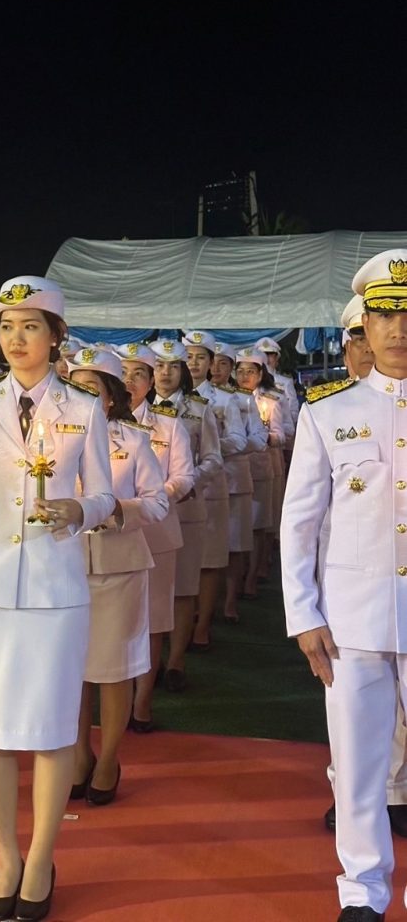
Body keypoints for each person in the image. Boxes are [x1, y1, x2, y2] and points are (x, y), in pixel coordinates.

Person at [0, 276, 114, 922]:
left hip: (53, 591)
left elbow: (105, 495)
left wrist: (79, 509)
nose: (15, 339)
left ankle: (40, 858)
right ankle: (6, 857)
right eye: (7, 327)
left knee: (51, 730)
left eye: (30, 326)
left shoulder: (83, 408)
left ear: (55, 336)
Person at [280, 249, 407, 921]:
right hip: (353, 621)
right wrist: (303, 614)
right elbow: (299, 522)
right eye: (385, 314)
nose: (398, 328)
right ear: (364, 326)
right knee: (357, 768)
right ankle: (363, 892)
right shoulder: (327, 411)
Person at [68, 347, 168, 803]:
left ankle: (108, 757)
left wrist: (114, 511)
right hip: (65, 565)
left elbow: (158, 502)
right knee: (71, 668)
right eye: (75, 387)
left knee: (112, 670)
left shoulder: (133, 440)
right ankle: (77, 754)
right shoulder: (51, 440)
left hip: (119, 566)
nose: (82, 397)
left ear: (110, 396)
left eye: (92, 389)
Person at [119, 342, 193, 728]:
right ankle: (115, 696)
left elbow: (184, 476)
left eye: (138, 375)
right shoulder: (97, 423)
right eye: (123, 374)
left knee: (153, 619)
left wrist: (152, 498)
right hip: (109, 535)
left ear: (150, 383)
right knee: (114, 620)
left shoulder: (169, 425)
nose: (130, 382)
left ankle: (141, 702)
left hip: (156, 532)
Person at [150, 338, 221, 692]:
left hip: (186, 508)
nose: (165, 373)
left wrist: (191, 481)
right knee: (148, 589)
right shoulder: (135, 409)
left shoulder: (198, 409)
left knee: (182, 587)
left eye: (173, 366)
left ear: (183, 372)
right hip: (146, 513)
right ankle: (148, 662)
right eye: (159, 366)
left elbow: (213, 458)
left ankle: (176, 660)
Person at [183, 330, 245, 648]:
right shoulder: (167, 399)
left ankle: (202, 625)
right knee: (181, 561)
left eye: (200, 358)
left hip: (210, 486)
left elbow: (240, 439)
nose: (193, 363)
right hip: (177, 492)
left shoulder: (224, 399)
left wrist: (209, 444)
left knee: (209, 561)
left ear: (210, 363)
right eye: (188, 357)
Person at [210, 342, 267, 622]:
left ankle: (230, 600)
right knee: (206, 546)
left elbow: (259, 438)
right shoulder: (191, 398)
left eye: (223, 363)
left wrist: (219, 447)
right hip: (204, 483)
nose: (216, 368)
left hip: (234, 478)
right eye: (213, 362)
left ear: (231, 368)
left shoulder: (242, 400)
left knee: (234, 545)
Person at [235, 347, 285, 600]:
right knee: (239, 527)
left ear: (260, 374)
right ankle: (240, 572)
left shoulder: (271, 400)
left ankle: (252, 575)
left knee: (259, 525)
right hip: (235, 469)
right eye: (240, 371)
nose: (245, 376)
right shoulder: (228, 399)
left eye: (250, 372)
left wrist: (264, 436)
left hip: (261, 467)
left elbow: (283, 433)